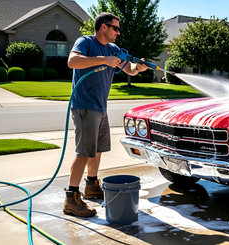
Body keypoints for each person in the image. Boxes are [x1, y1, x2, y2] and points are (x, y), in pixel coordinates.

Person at [63, 12, 148, 217]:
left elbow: (130, 69)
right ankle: (71, 199)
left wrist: (140, 67)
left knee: (97, 150)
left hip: (101, 107)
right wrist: (105, 60)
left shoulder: (114, 50)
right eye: (115, 28)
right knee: (84, 152)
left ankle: (92, 186)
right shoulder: (86, 42)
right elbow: (72, 61)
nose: (118, 33)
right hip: (84, 106)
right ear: (103, 27)